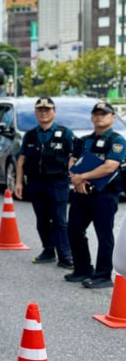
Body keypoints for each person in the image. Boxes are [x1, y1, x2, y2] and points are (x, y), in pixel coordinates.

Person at [65, 101, 126, 290]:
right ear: (92, 117)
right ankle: (83, 268)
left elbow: (110, 166)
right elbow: (72, 161)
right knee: (74, 230)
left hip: (104, 196)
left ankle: (103, 275)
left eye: (104, 114)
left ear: (113, 117)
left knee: (104, 235)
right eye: (96, 113)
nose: (100, 116)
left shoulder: (117, 140)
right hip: (82, 193)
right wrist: (77, 179)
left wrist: (82, 177)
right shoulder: (84, 140)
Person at [14, 97, 74, 268]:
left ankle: (65, 255)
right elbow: (21, 160)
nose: (44, 113)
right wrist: (18, 183)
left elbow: (74, 156)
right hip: (36, 182)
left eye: (47, 110)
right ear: (35, 113)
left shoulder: (65, 133)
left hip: (57, 183)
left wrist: (75, 176)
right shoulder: (31, 135)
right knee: (42, 219)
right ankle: (48, 250)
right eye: (40, 110)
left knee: (59, 220)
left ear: (54, 112)